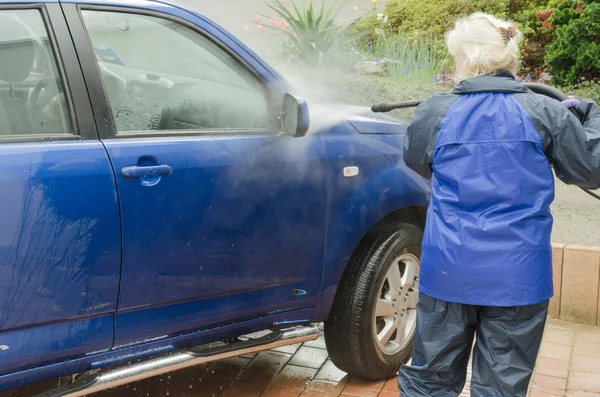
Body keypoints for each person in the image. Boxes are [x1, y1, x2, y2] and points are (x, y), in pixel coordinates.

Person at [398, 12, 600, 397]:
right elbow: (591, 169)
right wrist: (590, 116)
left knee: (430, 382)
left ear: (468, 59)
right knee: (502, 387)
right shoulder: (546, 113)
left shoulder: (435, 111)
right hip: (518, 278)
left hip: (449, 270)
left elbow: (417, 161)